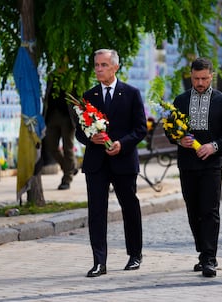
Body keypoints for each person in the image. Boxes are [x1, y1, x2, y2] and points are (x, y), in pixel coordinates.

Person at [75, 49, 147, 277]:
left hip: (123, 161)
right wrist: (90, 138)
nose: (98, 69)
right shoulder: (89, 96)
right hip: (96, 163)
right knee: (96, 211)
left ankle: (135, 255)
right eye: (96, 65)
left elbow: (140, 129)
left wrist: (121, 144)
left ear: (115, 67)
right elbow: (79, 132)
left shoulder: (131, 93)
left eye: (103, 65)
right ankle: (99, 261)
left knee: (130, 208)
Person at [169, 57, 222, 277]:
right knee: (193, 209)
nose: (199, 83)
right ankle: (202, 251)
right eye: (196, 78)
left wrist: (214, 146)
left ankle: (209, 258)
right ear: (190, 75)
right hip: (187, 164)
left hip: (212, 163)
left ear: (211, 76)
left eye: (204, 79)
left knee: (209, 210)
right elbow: (171, 129)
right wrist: (179, 140)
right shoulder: (180, 100)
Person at [43, 74, 77, 190]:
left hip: (67, 117)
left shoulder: (72, 76)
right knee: (51, 146)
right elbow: (47, 96)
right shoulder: (52, 76)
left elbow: (77, 98)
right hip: (52, 116)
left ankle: (67, 179)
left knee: (68, 148)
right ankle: (70, 168)